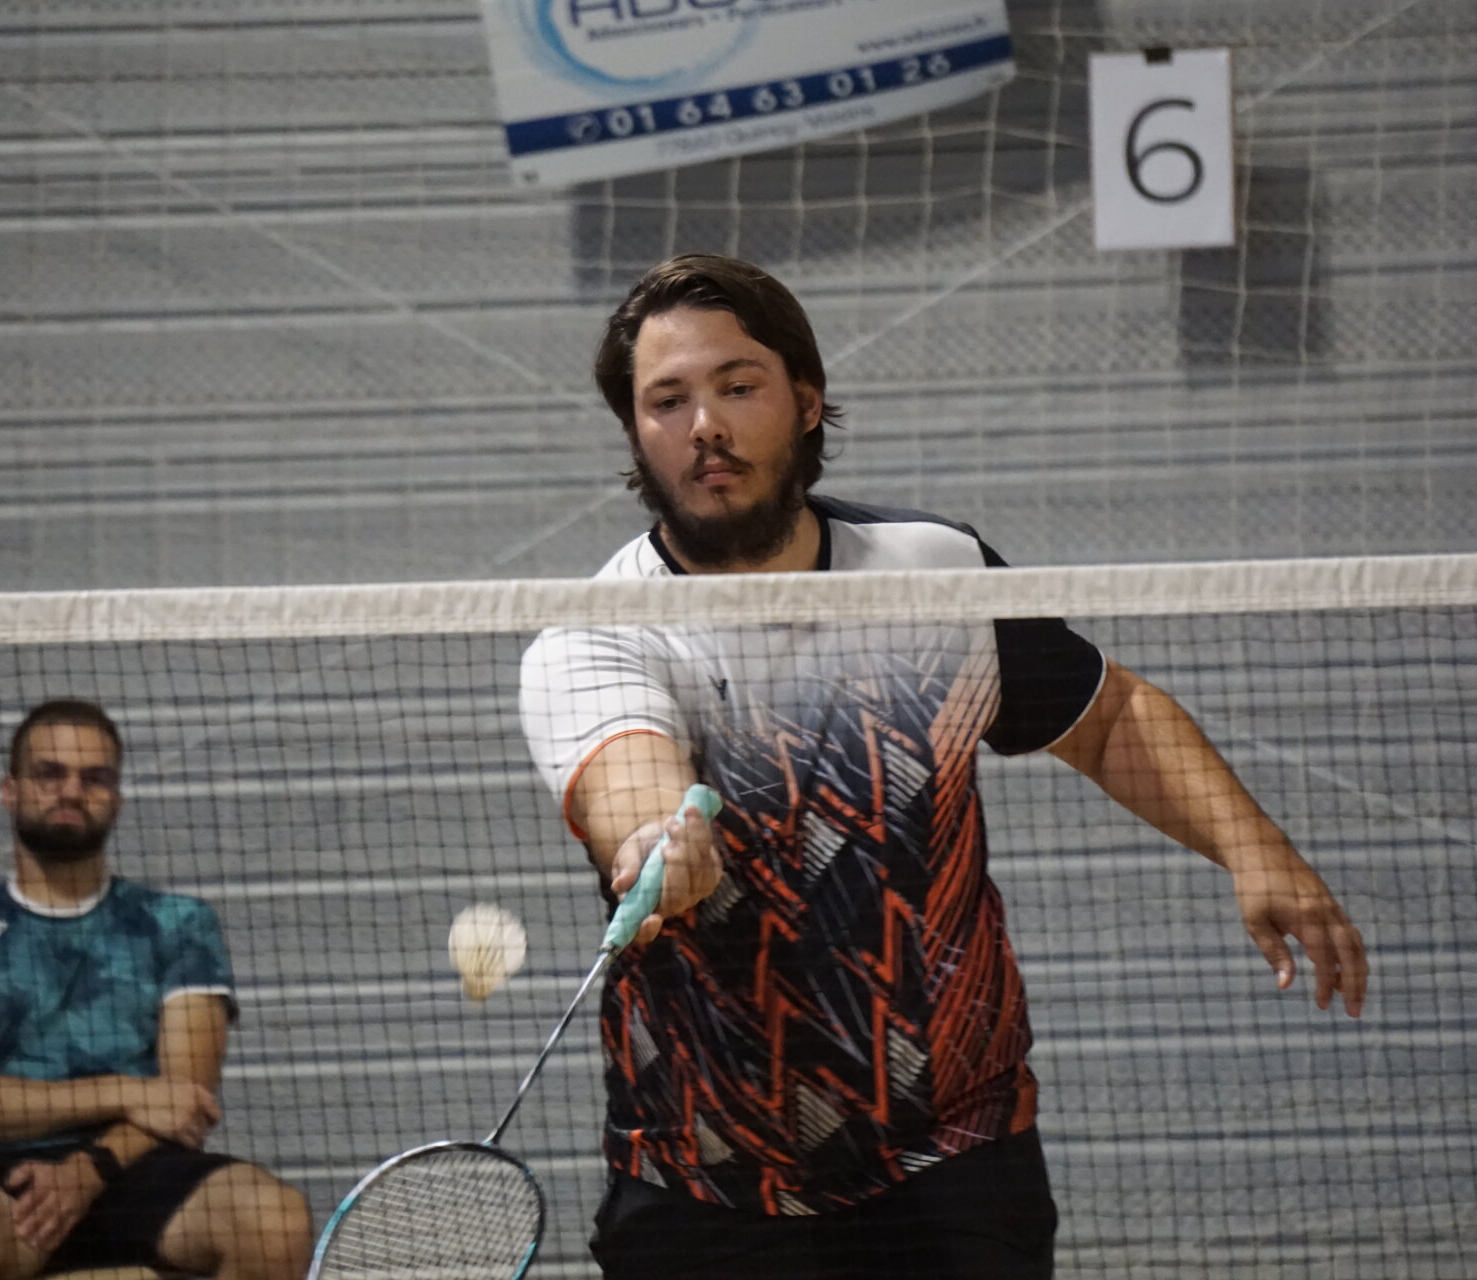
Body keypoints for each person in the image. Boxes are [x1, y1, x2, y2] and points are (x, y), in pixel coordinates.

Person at [518, 254, 1369, 1279]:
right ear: (635, 432)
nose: (705, 424)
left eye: (737, 385)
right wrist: (664, 840)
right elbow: (629, 779)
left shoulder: (934, 573)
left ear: (806, 399)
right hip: (712, 1179)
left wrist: (1252, 846)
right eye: (667, 401)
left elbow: (1106, 716)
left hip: (955, 1152)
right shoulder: (594, 636)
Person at [0, 699, 311, 1280]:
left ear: (117, 799)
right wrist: (123, 1091)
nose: (71, 791)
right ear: (10, 791)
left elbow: (185, 1097)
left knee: (275, 1221)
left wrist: (90, 1169)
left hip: (139, 1168)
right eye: (49, 773)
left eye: (94, 778)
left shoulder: (178, 924)